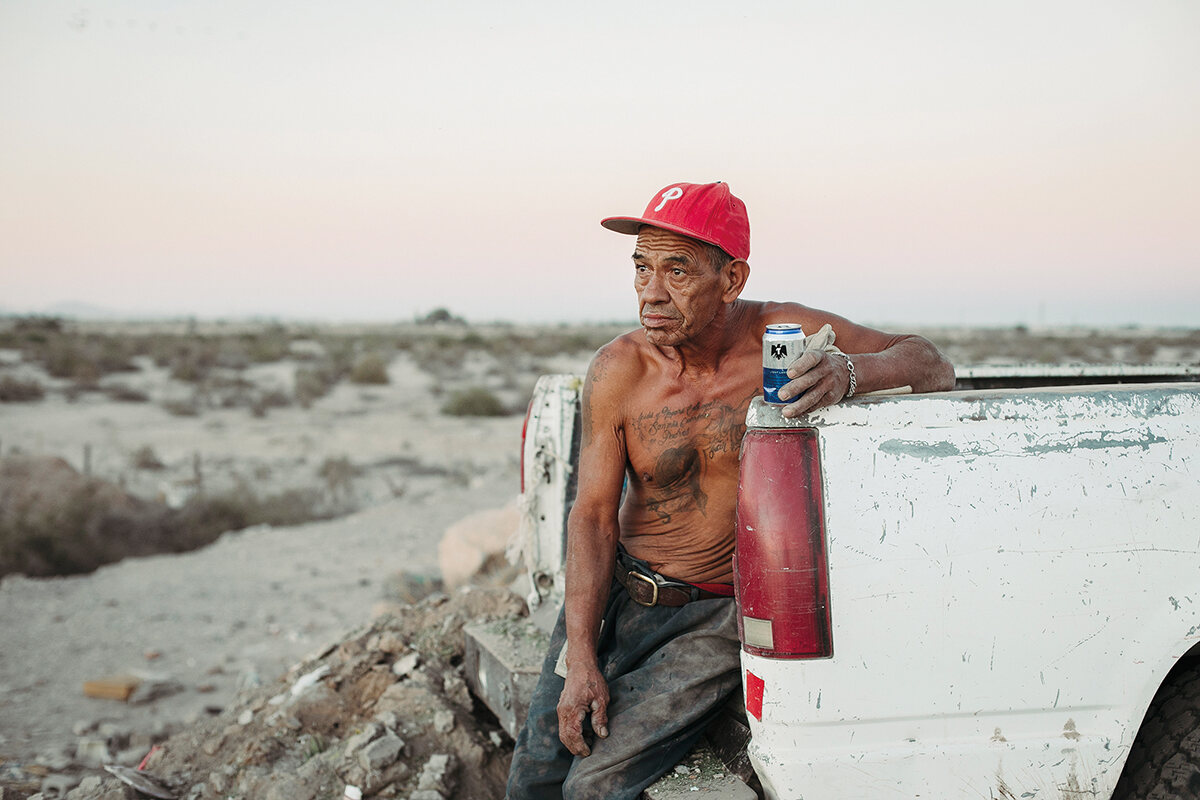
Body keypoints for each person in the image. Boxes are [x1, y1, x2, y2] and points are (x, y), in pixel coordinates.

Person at [506, 181, 955, 800]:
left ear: (732, 277)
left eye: (678, 270)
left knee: (595, 786)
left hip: (716, 614)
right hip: (620, 594)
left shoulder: (784, 338)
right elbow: (591, 518)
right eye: (642, 268)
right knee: (533, 776)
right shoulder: (620, 369)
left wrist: (850, 373)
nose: (651, 292)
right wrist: (581, 654)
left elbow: (932, 365)